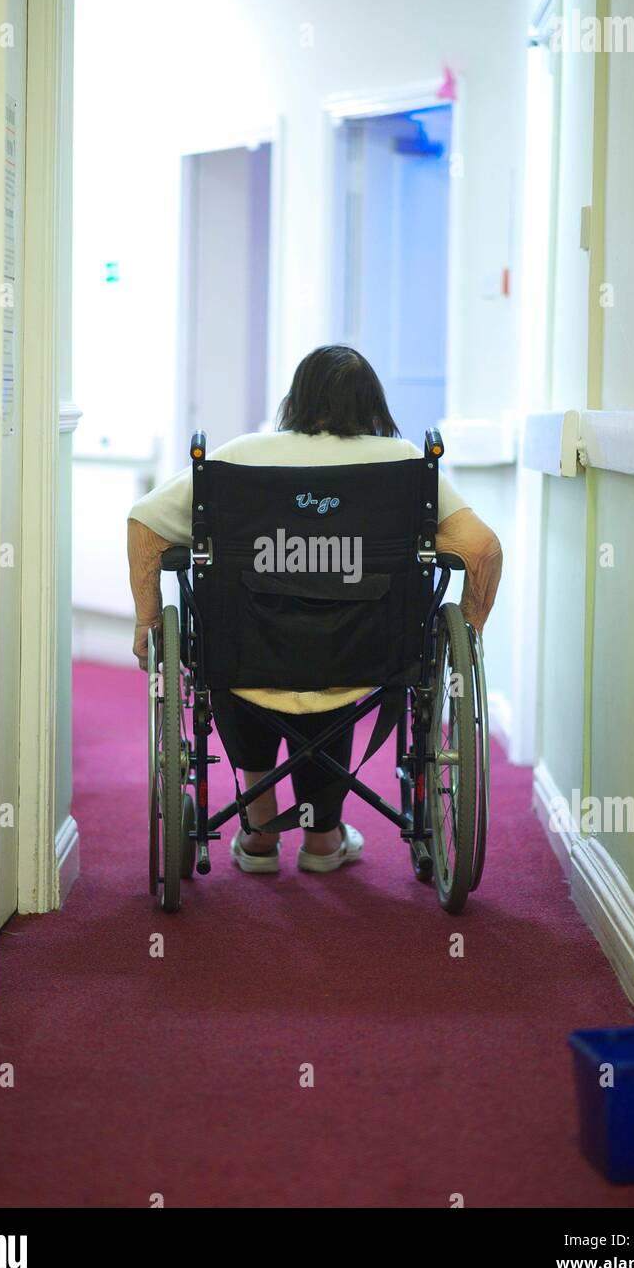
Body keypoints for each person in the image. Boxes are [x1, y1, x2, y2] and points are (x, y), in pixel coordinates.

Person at [128, 346, 502, 876]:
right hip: (363, 659)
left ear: (295, 399)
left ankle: (259, 832)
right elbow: (482, 550)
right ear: (374, 405)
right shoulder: (405, 468)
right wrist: (471, 629)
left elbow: (145, 525)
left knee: (231, 636)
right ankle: (322, 839)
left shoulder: (238, 458)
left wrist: (146, 620)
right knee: (338, 643)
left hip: (245, 656)